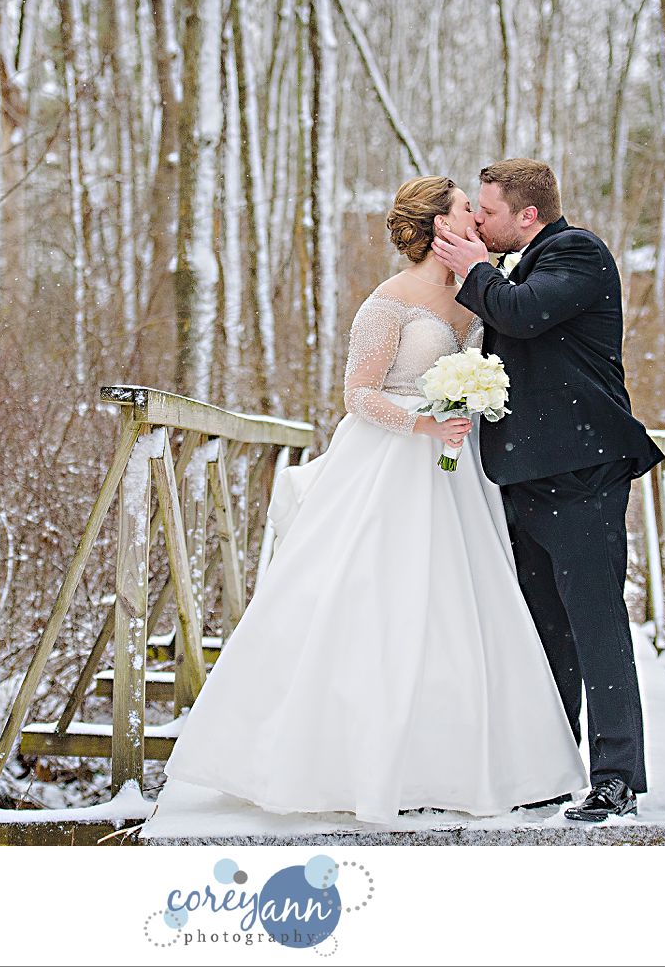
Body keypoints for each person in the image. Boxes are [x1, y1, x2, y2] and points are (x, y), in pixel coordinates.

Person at [160, 176, 590, 826]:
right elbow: (357, 393)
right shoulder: (388, 301)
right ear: (440, 226)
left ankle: (460, 764)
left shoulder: (478, 294)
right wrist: (421, 424)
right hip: (390, 465)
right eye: (465, 209)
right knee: (380, 604)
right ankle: (344, 760)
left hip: (459, 473)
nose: (475, 217)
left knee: (459, 608)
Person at [430, 158, 665, 822]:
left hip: (582, 475)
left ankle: (616, 777)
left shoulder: (576, 253)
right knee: (545, 633)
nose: (479, 221)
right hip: (522, 479)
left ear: (527, 215)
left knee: (596, 626)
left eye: (488, 211)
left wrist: (475, 268)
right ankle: (552, 769)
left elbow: (524, 315)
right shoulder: (519, 266)